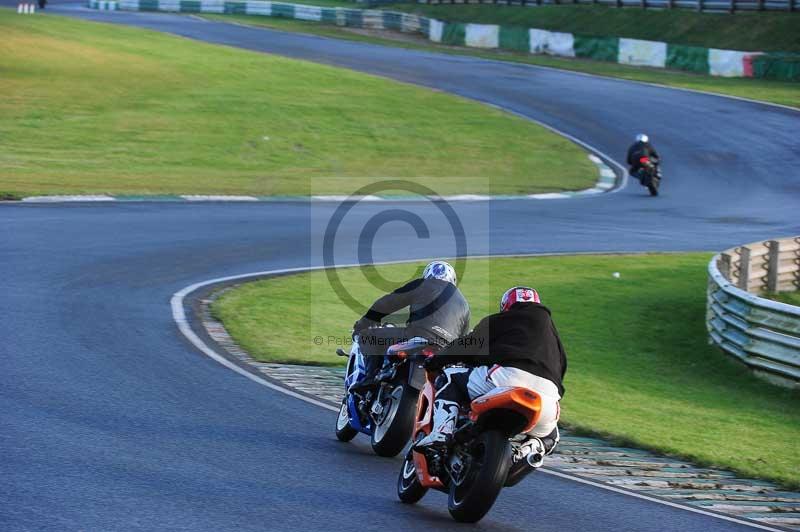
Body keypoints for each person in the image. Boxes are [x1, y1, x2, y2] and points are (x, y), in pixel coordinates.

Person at [415, 286, 566, 468]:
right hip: (547, 400)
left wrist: (436, 361)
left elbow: (467, 345)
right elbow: (562, 369)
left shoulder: (501, 320)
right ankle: (526, 453)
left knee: (450, 377)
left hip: (506, 379)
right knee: (551, 435)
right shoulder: (555, 337)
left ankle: (441, 432)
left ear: (507, 305)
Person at [351, 260, 470, 391]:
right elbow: (463, 338)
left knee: (368, 337)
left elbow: (386, 304)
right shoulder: (464, 303)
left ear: (428, 274)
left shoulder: (423, 284)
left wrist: (363, 324)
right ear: (452, 279)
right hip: (446, 349)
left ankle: (370, 378)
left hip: (417, 336)